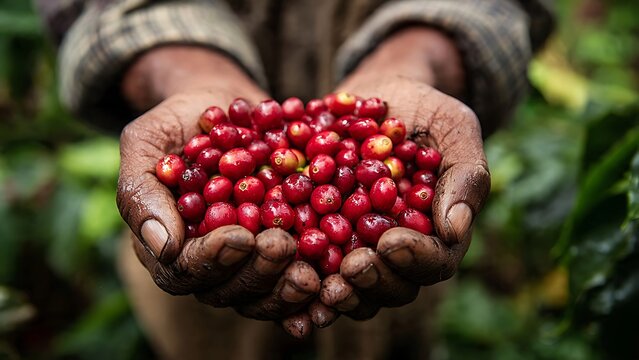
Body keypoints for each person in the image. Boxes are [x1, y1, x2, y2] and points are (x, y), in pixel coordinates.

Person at [37, 0, 554, 358]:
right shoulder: (286, 173)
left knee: (396, 312)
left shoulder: (344, 172)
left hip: (396, 303)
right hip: (202, 320)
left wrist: (422, 55)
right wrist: (180, 67)